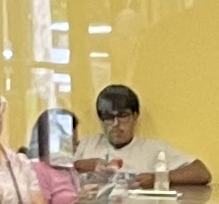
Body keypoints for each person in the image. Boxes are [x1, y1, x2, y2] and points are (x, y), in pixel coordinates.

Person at [81, 81, 211, 197]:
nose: (116, 123)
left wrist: (157, 178)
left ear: (135, 116)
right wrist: (84, 166)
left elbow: (202, 173)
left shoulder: (153, 149)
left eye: (123, 116)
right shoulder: (87, 146)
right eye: (108, 117)